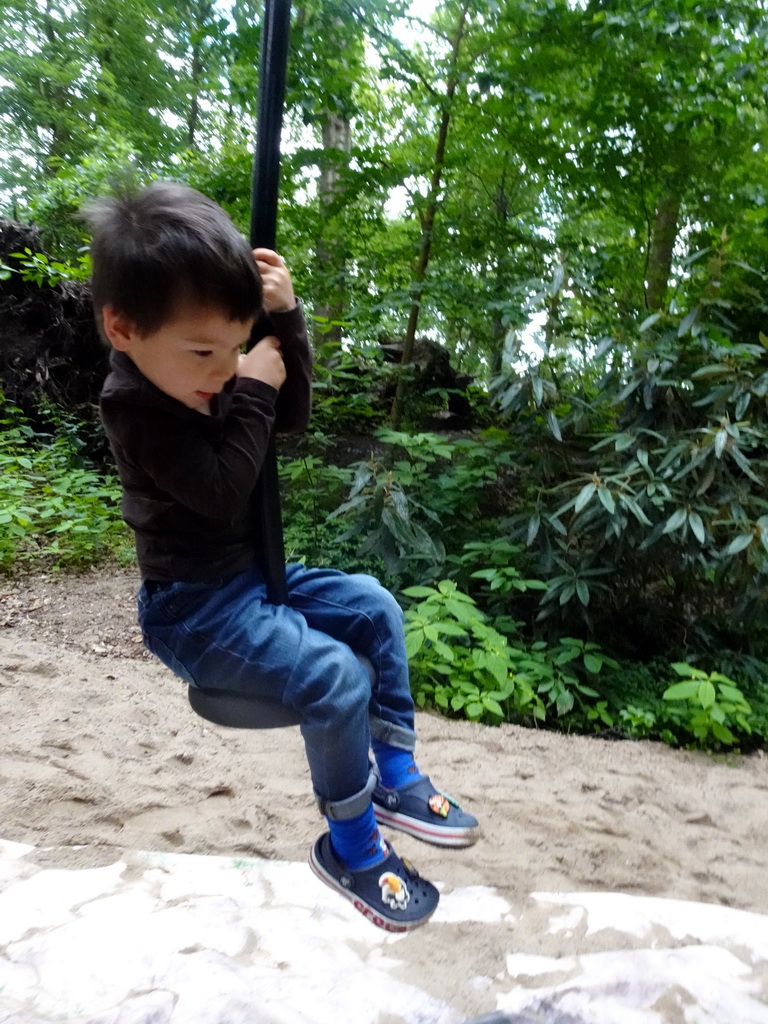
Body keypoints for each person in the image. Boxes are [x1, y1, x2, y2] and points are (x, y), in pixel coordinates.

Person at [90, 181, 479, 932]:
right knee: (334, 678)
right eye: (205, 350)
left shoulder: (197, 369)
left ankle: (394, 771)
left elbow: (289, 415)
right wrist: (253, 390)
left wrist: (287, 322)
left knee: (372, 603)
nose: (222, 367)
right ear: (123, 327)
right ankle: (353, 846)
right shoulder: (133, 405)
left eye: (235, 346)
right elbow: (220, 490)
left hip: (253, 580)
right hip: (193, 611)